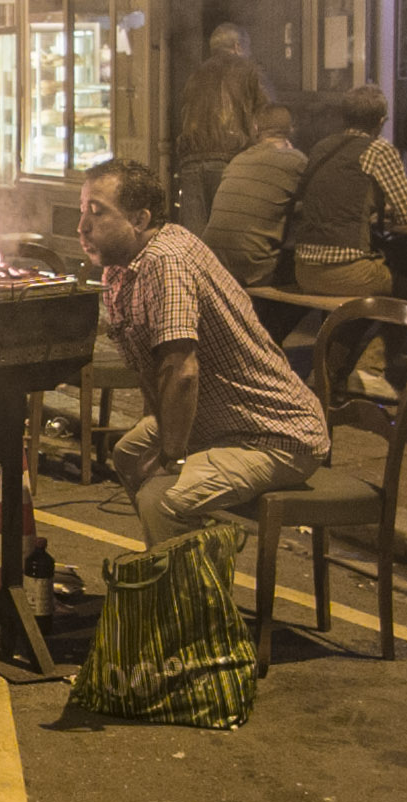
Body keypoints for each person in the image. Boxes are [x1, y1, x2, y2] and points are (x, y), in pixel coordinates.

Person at [79, 158, 328, 547]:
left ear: (140, 220)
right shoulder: (122, 267)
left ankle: (188, 602)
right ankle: (194, 553)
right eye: (82, 212)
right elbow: (149, 366)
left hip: (272, 434)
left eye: (97, 213)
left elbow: (181, 371)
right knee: (128, 455)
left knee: (162, 499)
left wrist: (172, 456)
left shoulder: (167, 262)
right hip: (216, 422)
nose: (83, 227)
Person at [292, 85, 407, 395]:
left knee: (364, 303)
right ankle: (371, 369)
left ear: (344, 117)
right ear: (381, 120)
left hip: (303, 268)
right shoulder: (378, 149)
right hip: (345, 272)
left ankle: (324, 374)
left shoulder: (321, 147)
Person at [173, 23, 271, 235]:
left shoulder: (195, 75)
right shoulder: (250, 70)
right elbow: (270, 116)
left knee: (194, 243)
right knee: (229, 240)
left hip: (190, 165)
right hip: (231, 162)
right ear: (238, 46)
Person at [202, 103, 305, 287]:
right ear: (291, 130)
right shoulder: (296, 160)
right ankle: (272, 317)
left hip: (213, 263)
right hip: (253, 269)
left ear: (256, 129)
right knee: (309, 272)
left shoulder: (237, 160)